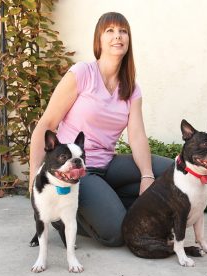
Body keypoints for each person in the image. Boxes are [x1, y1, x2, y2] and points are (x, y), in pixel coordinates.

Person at [29, 12, 172, 247]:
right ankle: (60, 217)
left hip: (108, 163)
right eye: (110, 31)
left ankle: (110, 201)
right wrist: (36, 181)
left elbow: (136, 136)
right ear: (99, 40)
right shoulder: (82, 74)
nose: (118, 36)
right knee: (116, 233)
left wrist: (147, 175)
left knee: (171, 171)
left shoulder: (131, 88)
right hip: (75, 169)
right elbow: (46, 125)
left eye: (123, 31)